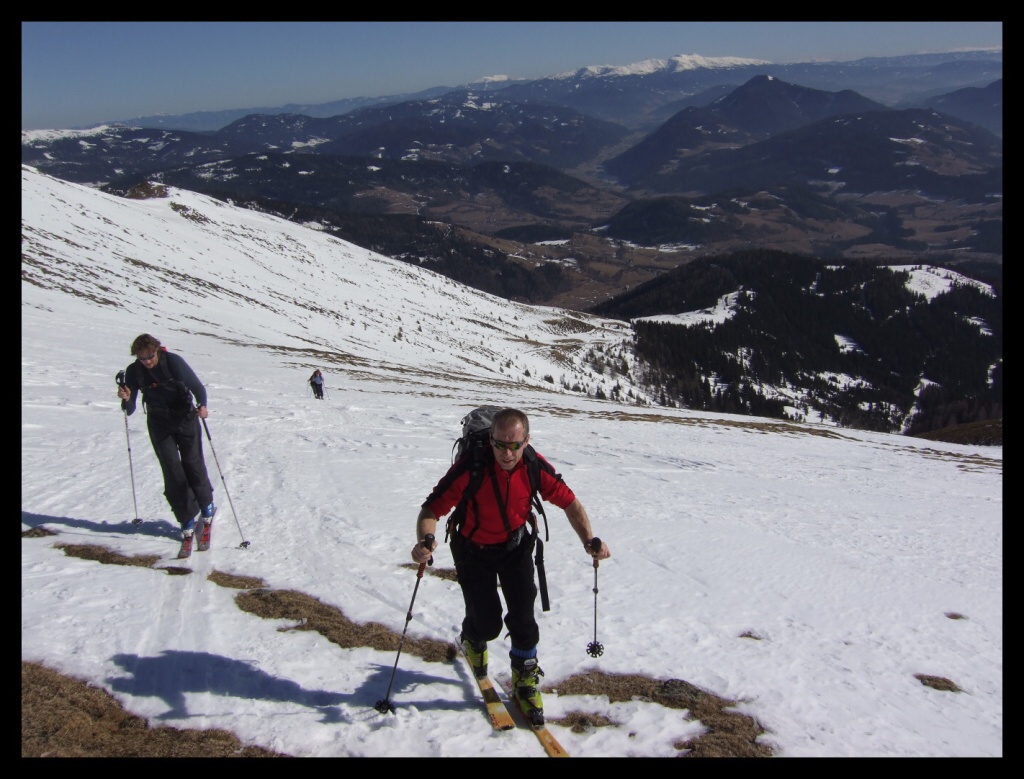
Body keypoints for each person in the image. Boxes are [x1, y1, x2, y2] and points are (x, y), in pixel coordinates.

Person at [412, 407, 610, 727]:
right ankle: (473, 638)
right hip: (472, 550)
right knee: (487, 623)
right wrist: (425, 542)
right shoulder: (471, 466)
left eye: (515, 445)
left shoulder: (533, 466)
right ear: (490, 439)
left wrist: (590, 539)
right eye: (500, 444)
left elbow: (570, 502)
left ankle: (525, 679)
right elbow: (431, 509)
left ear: (527, 441)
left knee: (523, 617)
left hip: (516, 547)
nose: (507, 452)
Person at [116, 334, 215, 541]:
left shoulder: (173, 362)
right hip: (159, 422)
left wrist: (202, 405)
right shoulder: (134, 372)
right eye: (142, 358)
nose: (148, 361)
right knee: (171, 469)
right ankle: (186, 517)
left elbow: (197, 388)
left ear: (157, 350)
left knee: (192, 463)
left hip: (185, 418)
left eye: (150, 356)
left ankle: (206, 506)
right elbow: (131, 408)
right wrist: (126, 398)